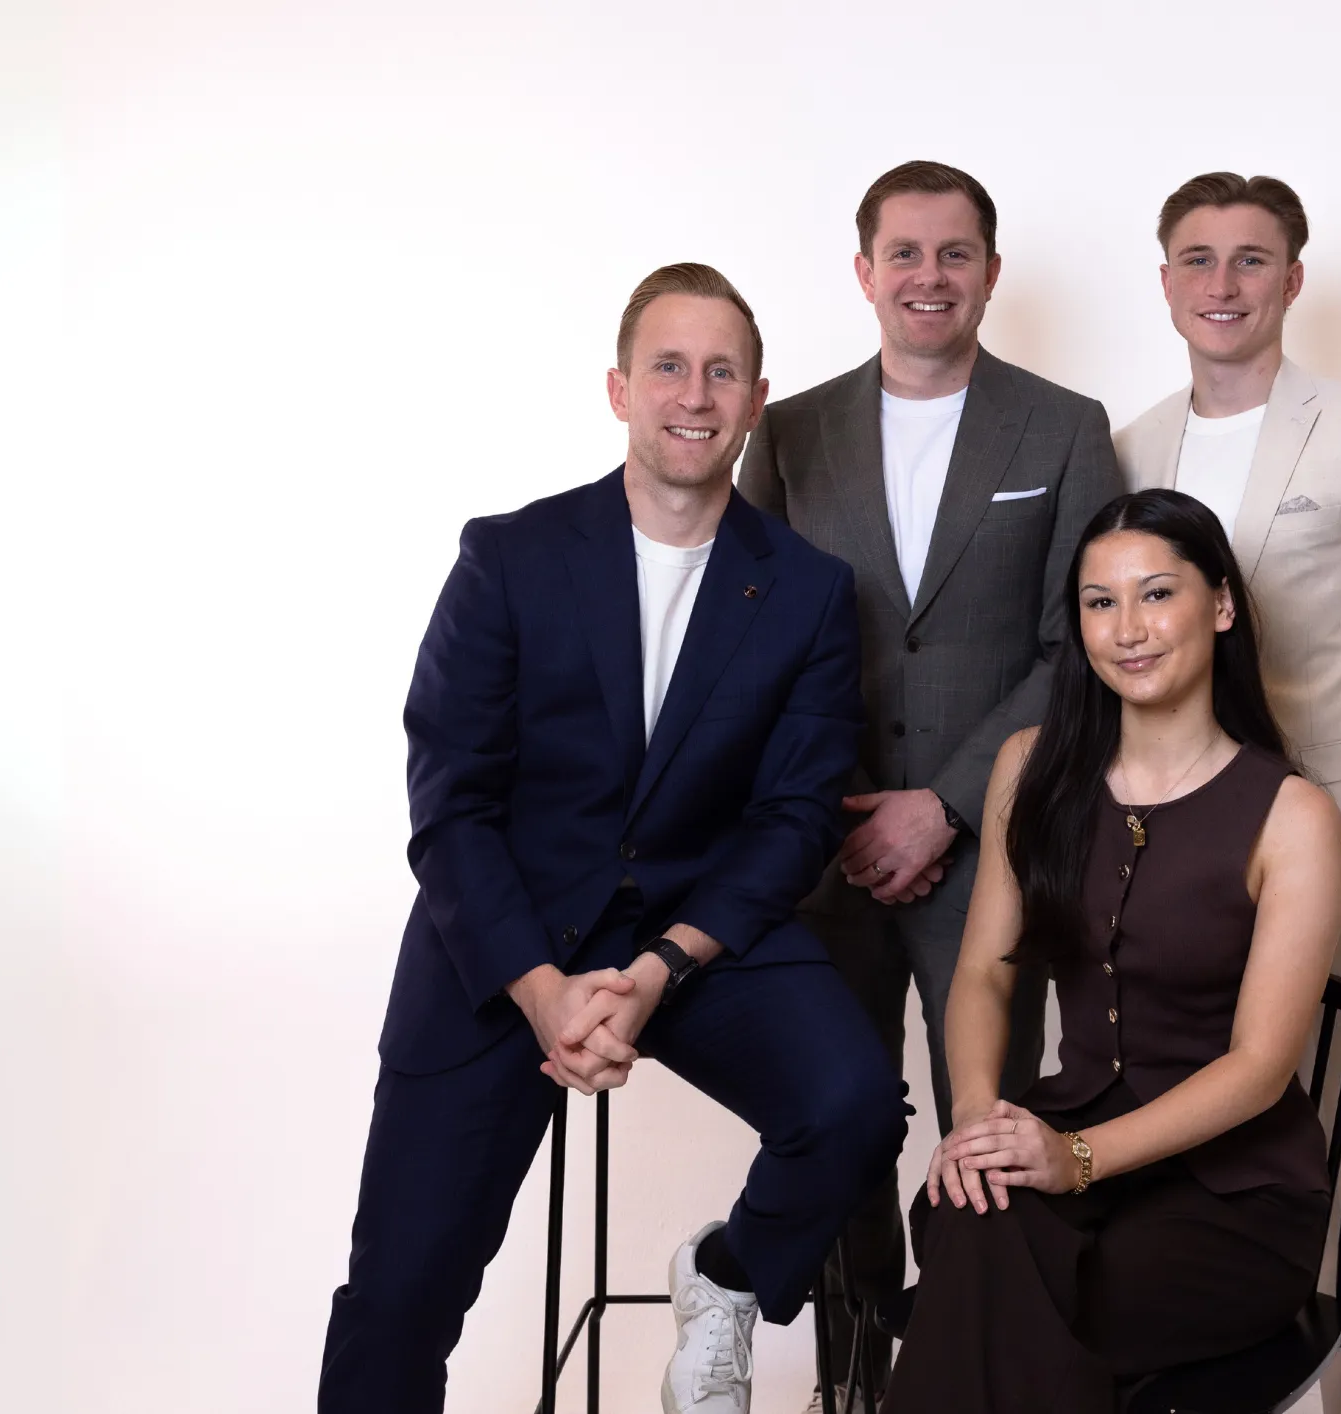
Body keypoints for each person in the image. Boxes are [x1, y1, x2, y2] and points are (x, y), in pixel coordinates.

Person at [317, 263, 908, 1414]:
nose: (695, 394)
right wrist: (542, 989)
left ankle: (727, 1274)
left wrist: (658, 967)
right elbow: (451, 806)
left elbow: (793, 817)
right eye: (669, 367)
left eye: (722, 371)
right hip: (503, 942)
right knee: (402, 1288)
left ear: (755, 398)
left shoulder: (805, 589)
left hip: (696, 933)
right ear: (619, 389)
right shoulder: (508, 557)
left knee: (851, 1105)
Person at [738, 159, 1121, 1402]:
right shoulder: (787, 432)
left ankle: (969, 1370)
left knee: (991, 1126)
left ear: (990, 273)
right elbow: (749, 633)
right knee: (839, 1122)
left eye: (954, 253)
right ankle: (847, 1377)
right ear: (862, 273)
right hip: (824, 849)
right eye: (902, 253)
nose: (928, 276)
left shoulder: (1063, 427)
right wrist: (841, 799)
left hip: (993, 849)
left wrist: (945, 802)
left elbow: (1080, 644)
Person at [1113, 172, 1341, 1414]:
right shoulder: (1130, 443)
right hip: (1169, 852)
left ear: (1292, 279)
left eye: (1250, 259)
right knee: (1184, 1140)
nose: (1222, 285)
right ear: (1164, 282)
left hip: (1329, 838)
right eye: (1197, 260)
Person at [880, 488, 1341, 1413]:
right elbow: (981, 972)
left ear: (1221, 607)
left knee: (1004, 1266)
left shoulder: (1294, 818)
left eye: (1156, 594)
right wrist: (976, 1119)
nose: (1127, 629)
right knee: (970, 1211)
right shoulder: (1031, 767)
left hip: (1233, 1198)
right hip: (1063, 1129)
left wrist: (1078, 1159)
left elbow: (1259, 1067)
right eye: (1100, 603)